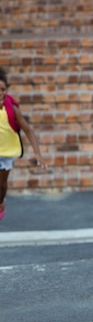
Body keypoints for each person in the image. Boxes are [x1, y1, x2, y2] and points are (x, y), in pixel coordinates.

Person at [0, 67, 47, 221]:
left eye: (2, 89)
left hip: (6, 152)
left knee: (1, 184)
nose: (0, 93)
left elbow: (28, 131)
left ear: (7, 90)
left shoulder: (12, 109)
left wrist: (37, 153)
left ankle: (0, 202)